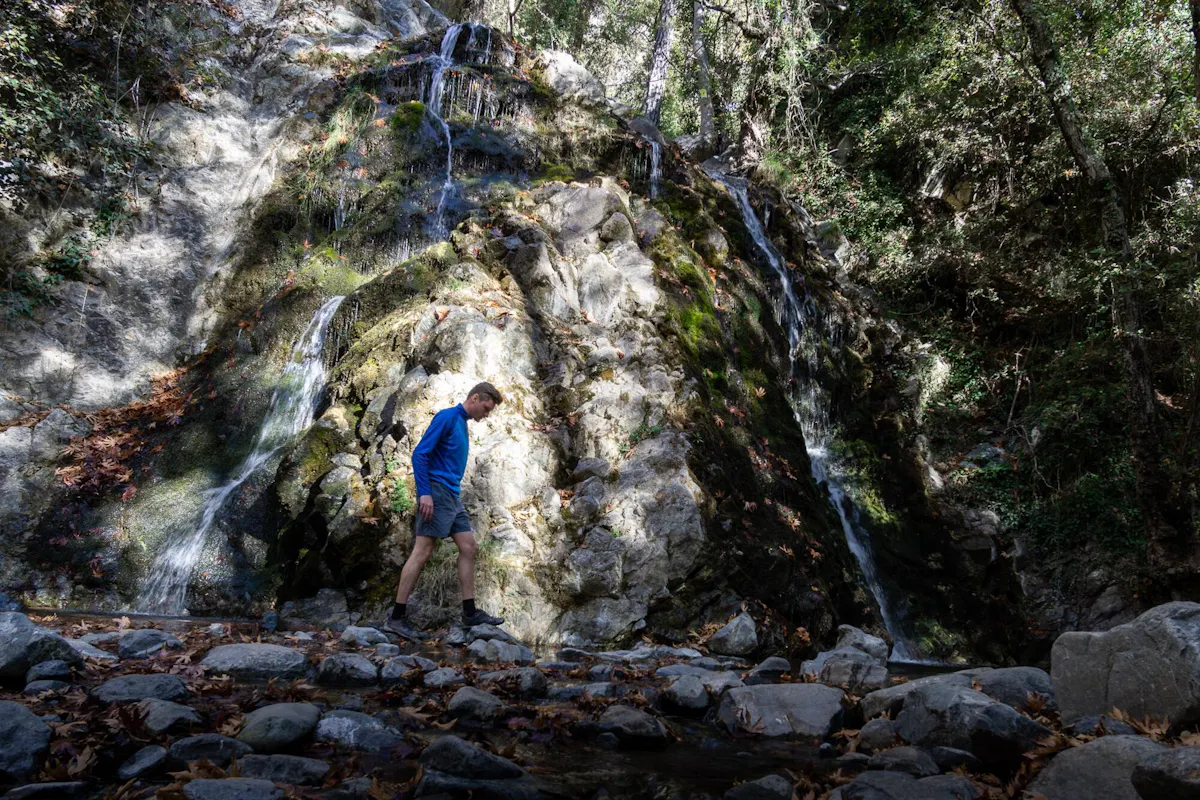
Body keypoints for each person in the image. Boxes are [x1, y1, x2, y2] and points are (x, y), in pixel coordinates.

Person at [384, 382, 506, 640]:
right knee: (423, 550)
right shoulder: (448, 417)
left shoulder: (461, 423)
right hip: (437, 492)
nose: (487, 414)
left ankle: (470, 612)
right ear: (474, 398)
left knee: (468, 547)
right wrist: (424, 493)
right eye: (486, 408)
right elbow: (420, 455)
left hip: (452, 495)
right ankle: (396, 618)